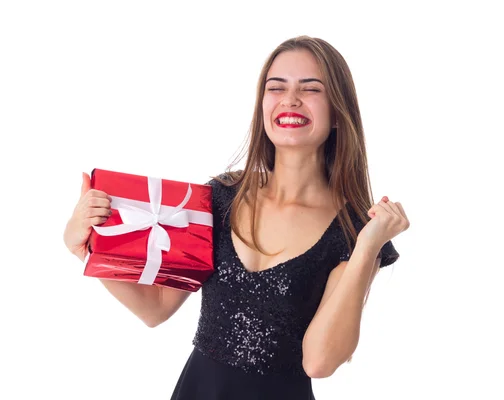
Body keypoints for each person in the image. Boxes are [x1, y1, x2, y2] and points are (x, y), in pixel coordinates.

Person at [63, 35, 410, 400]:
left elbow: (320, 362)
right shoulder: (220, 197)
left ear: (339, 111)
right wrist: (86, 249)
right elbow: (156, 308)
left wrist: (368, 245)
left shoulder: (355, 231)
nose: (290, 99)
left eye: (311, 89)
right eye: (276, 88)